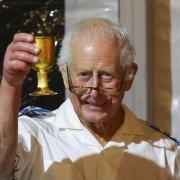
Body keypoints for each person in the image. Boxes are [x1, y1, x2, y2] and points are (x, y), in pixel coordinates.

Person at [0, 17, 180, 180]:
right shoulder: (34, 135)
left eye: (107, 75)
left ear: (129, 76)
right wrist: (10, 85)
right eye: (84, 75)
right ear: (64, 76)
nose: (94, 91)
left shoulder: (165, 153)